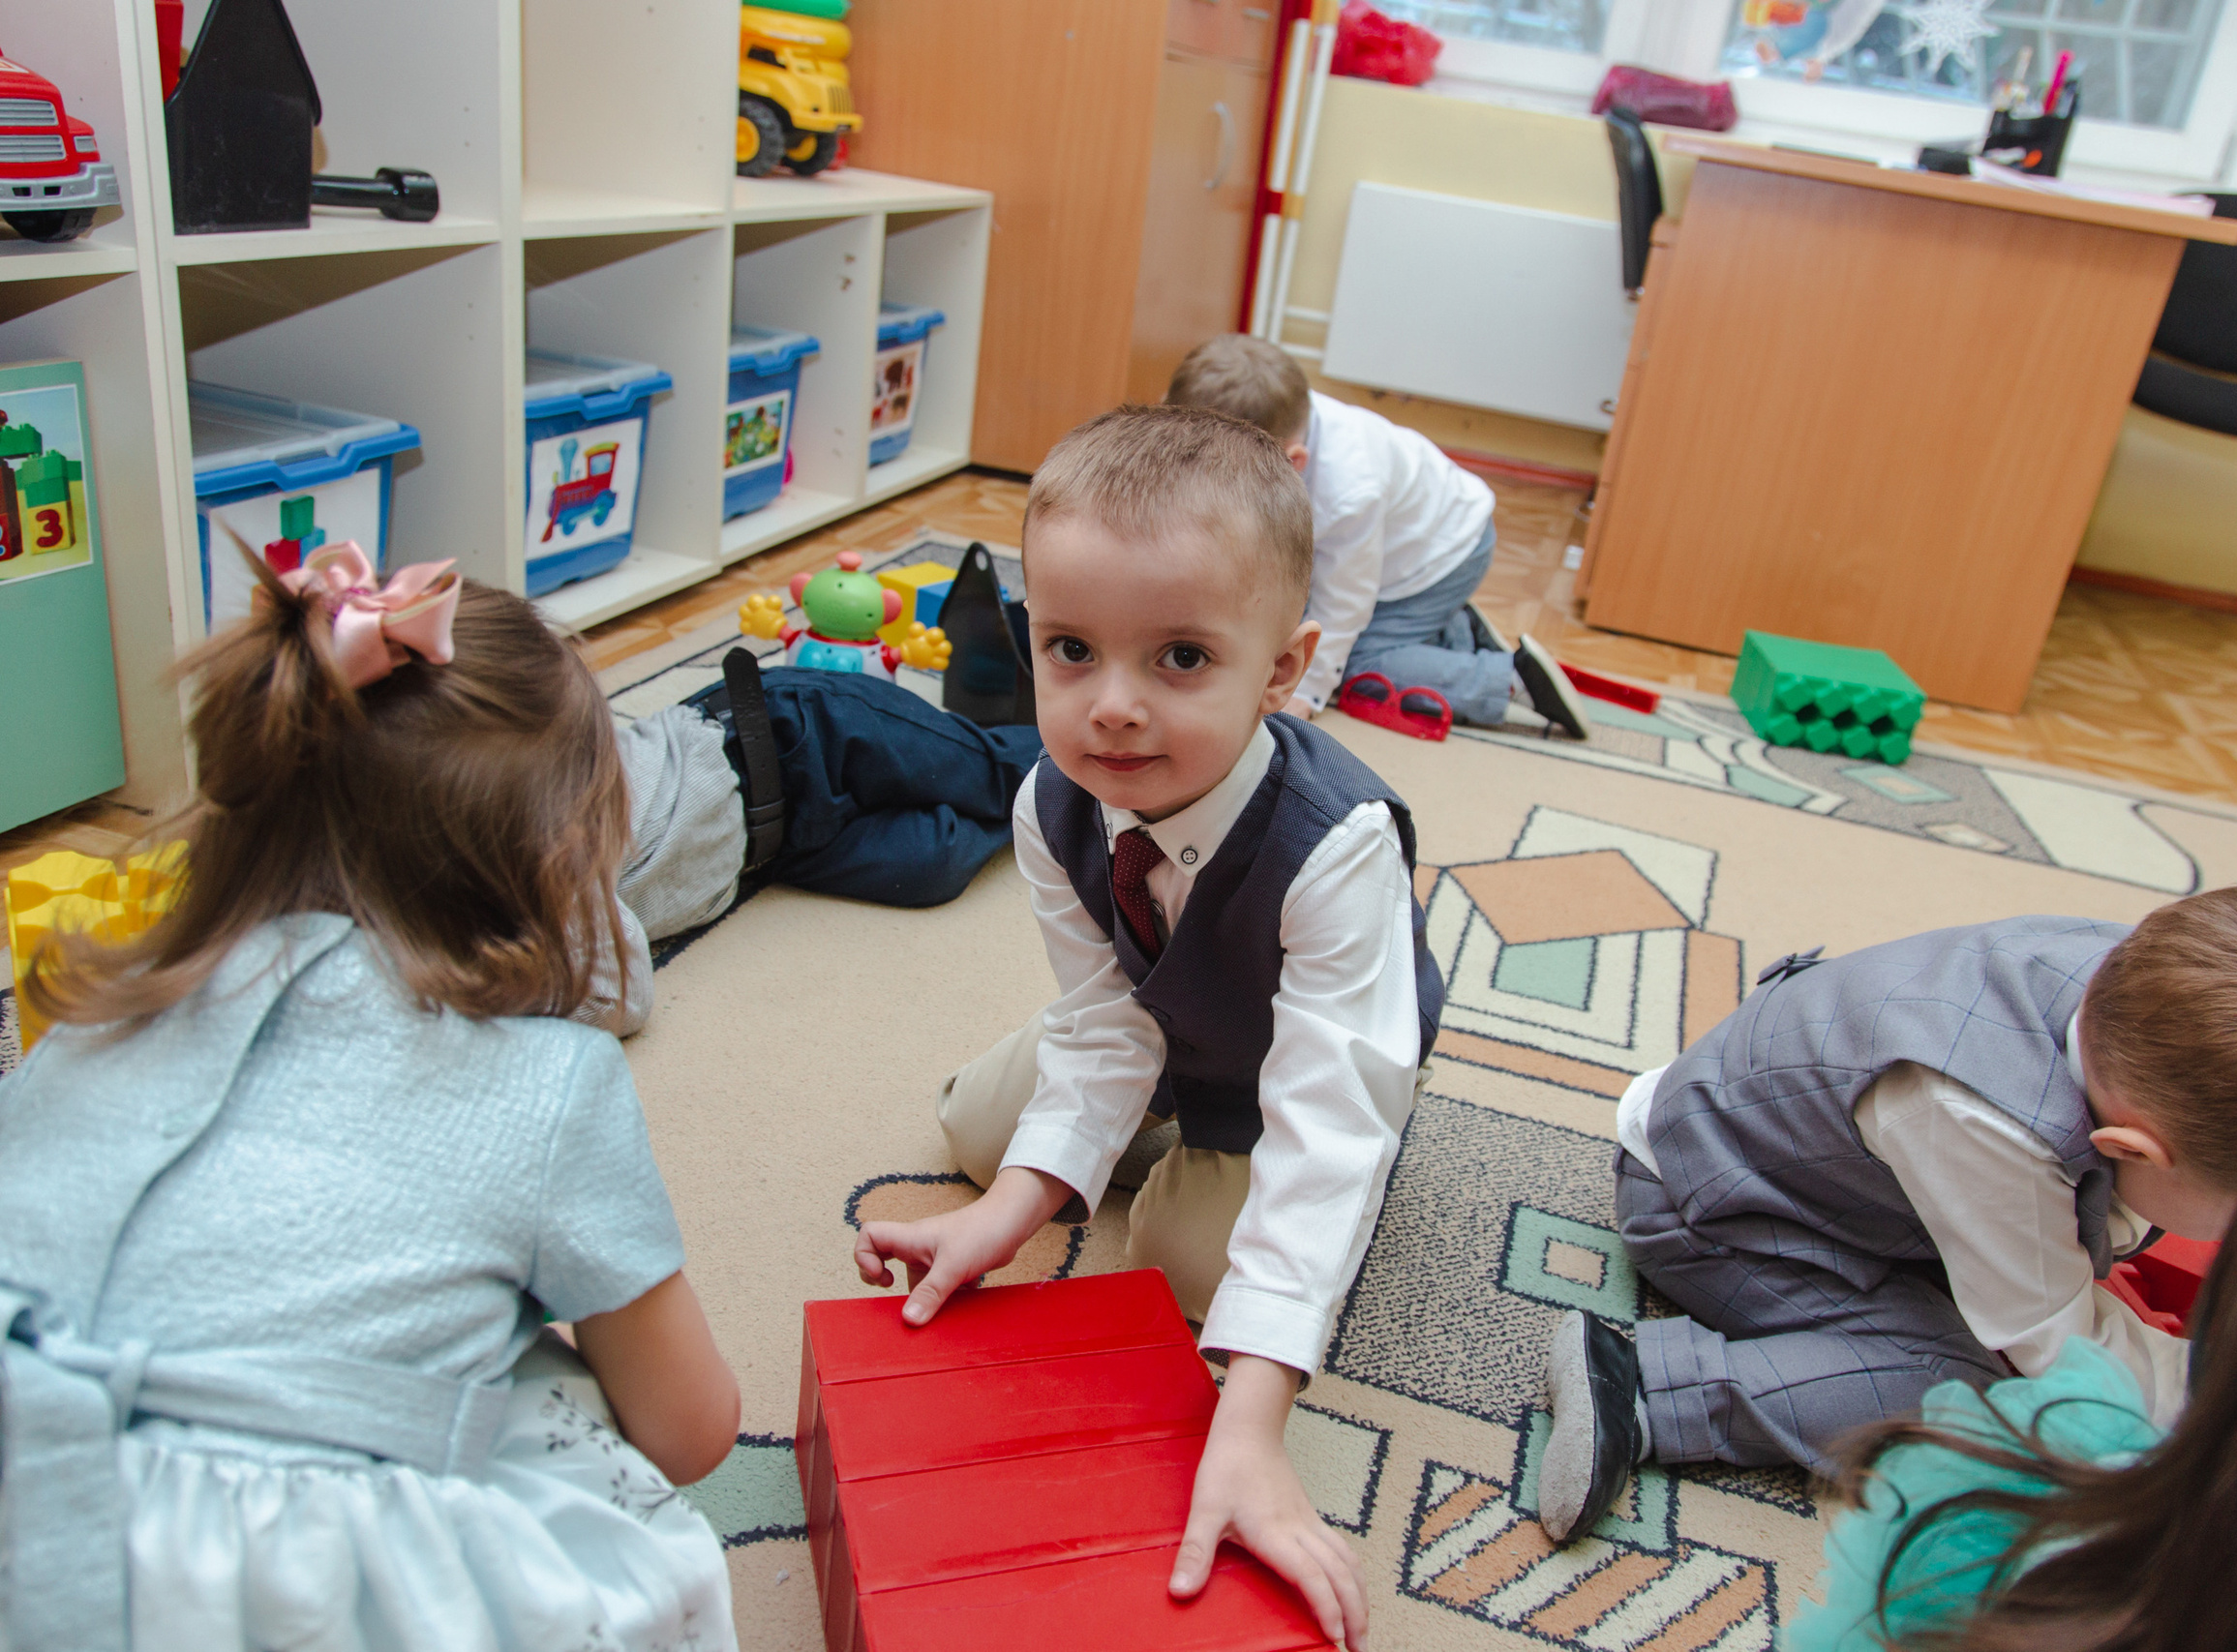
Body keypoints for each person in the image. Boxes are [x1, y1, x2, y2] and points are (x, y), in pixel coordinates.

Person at [0, 545, 741, 1650]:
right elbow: (688, 1428)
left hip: (29, 1491)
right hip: (259, 1584)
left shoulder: (93, 1023)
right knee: (574, 1447)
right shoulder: (550, 1085)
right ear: (558, 868)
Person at [851, 405, 1446, 1652]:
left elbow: (1329, 1117)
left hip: (1285, 1063)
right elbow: (1102, 1018)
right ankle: (1100, 1160)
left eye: (1179, 659)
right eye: (1071, 650)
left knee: (1185, 1263)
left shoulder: (1338, 846)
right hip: (1157, 1019)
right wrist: (1011, 1214)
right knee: (976, 1133)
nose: (1110, 709)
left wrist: (1251, 1424)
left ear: (1282, 669)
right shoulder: (1048, 797)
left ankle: (1194, 1171)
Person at [1534, 875, 2237, 1541]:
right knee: (1978, 1382)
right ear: (2134, 1152)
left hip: (1857, 1173)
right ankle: (1651, 1386)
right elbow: (2054, 1351)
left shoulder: (2159, 985)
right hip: (1718, 1210)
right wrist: (2226, 1393)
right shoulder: (1980, 1116)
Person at [1785, 977, 2237, 1652]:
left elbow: (2058, 1344)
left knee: (1938, 1380)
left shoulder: (2035, 1526)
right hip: (1773, 1215)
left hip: (1838, 1239)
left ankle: (1678, 1387)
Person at [1164, 332, 1593, 740]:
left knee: (1340, 663)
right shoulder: (1268, 414)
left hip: (1445, 555)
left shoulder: (1349, 491)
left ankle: (1509, 680)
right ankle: (1452, 631)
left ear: (1293, 462)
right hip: (1394, 545)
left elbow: (1345, 604)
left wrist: (1308, 693)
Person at [596, 650, 1046, 1035]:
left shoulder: (549, 846)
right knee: (936, 865)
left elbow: (620, 988)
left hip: (788, 732)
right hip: (780, 849)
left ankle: (1094, 766)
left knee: (994, 772)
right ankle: (1053, 803)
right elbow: (617, 996)